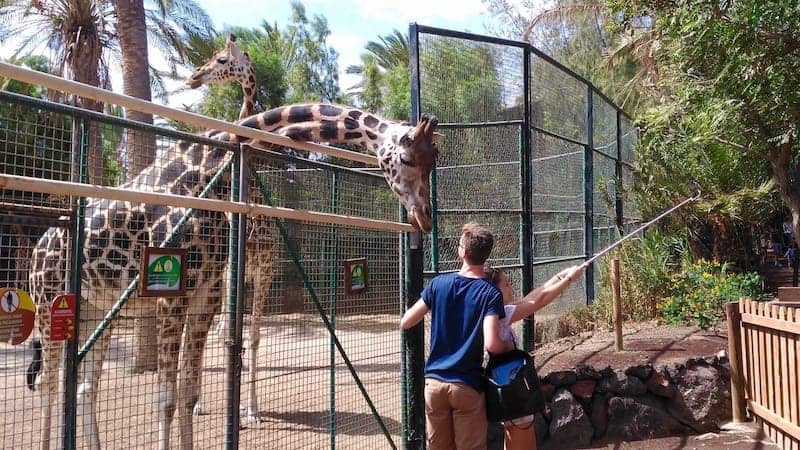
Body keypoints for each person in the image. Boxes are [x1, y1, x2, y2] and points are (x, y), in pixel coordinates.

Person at [400, 222, 512, 450]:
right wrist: (507, 344)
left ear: (463, 252)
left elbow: (406, 321)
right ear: (486, 255)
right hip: (467, 385)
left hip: (434, 385)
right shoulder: (490, 294)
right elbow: (492, 344)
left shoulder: (439, 284)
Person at [486, 264, 586, 450]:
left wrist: (559, 276)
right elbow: (538, 302)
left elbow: (530, 298)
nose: (511, 287)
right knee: (520, 431)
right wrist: (569, 279)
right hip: (511, 386)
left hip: (502, 385)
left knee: (513, 431)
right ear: (494, 291)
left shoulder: (492, 311)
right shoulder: (499, 314)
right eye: (506, 284)